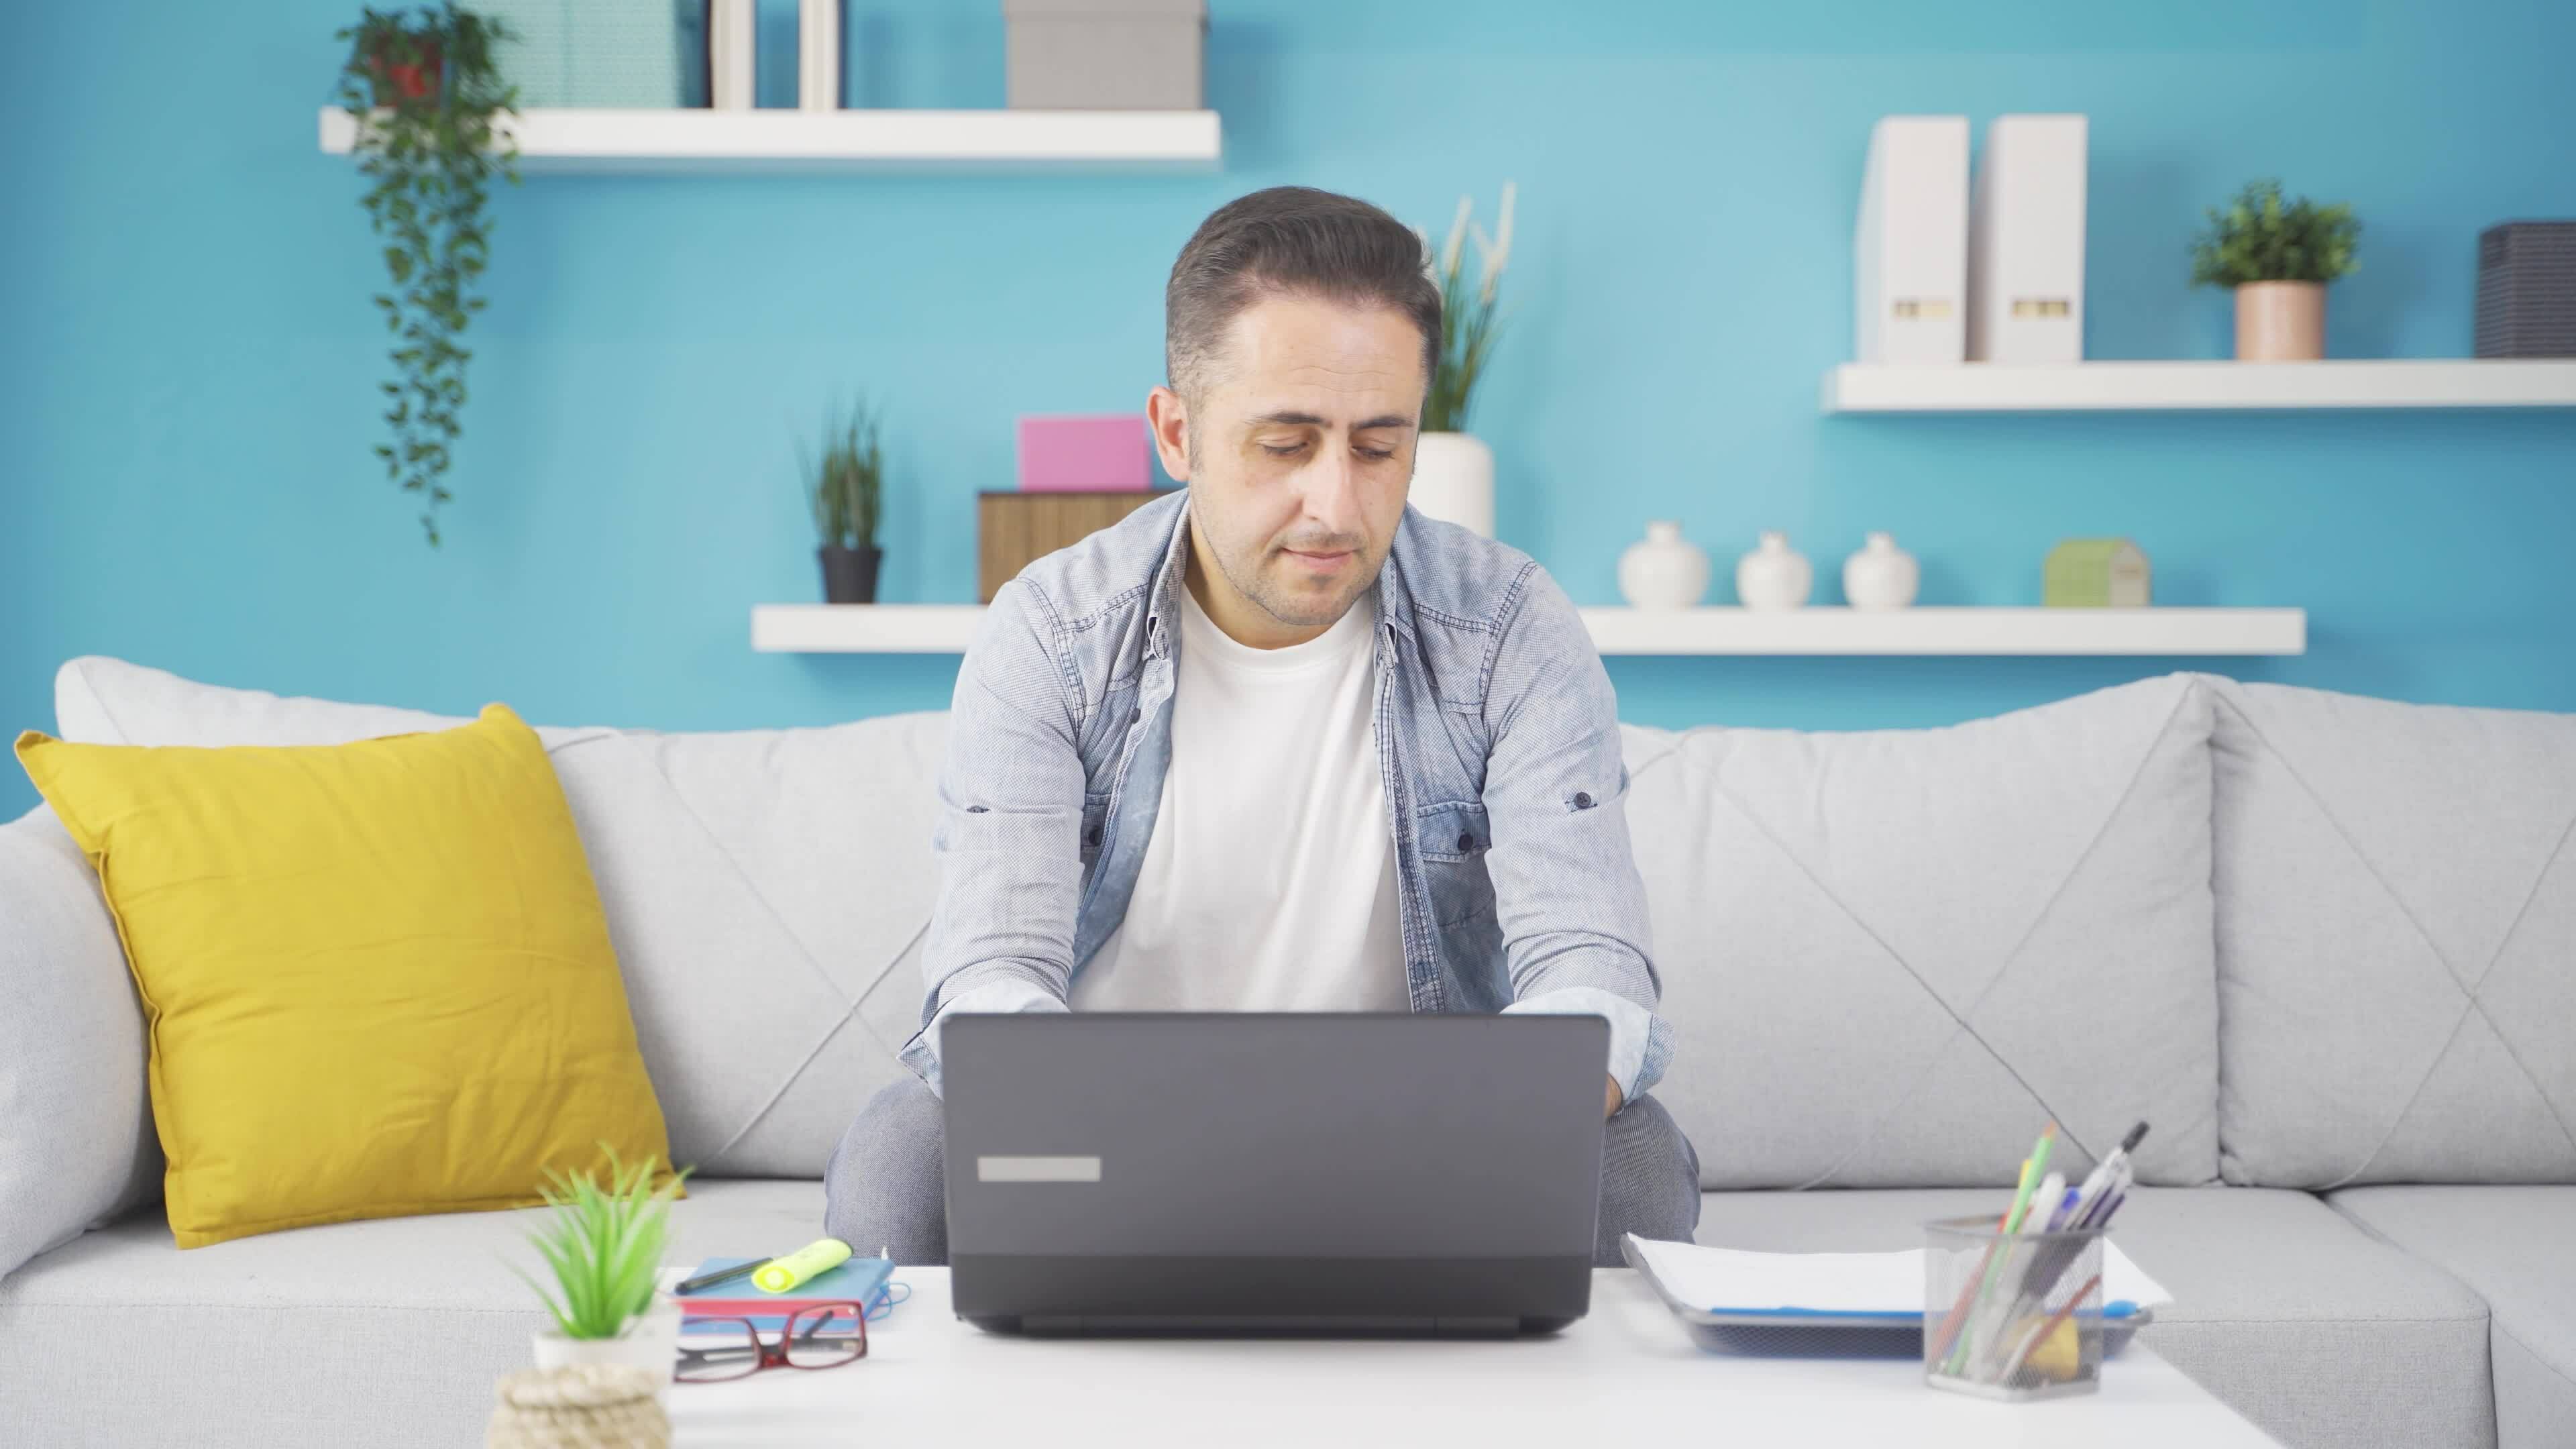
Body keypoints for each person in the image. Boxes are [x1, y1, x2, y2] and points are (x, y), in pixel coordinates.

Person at [824, 185, 1699, 1266]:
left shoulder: (1511, 628)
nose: (1336, 504)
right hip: (1104, 1148)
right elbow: (988, 975)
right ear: (1178, 433)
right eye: (1287, 444)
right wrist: (1129, 1131)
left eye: (1379, 448)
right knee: (898, 1157)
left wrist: (1487, 1120)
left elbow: (1592, 966)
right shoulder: (1049, 634)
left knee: (1642, 1166)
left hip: (1428, 1156)